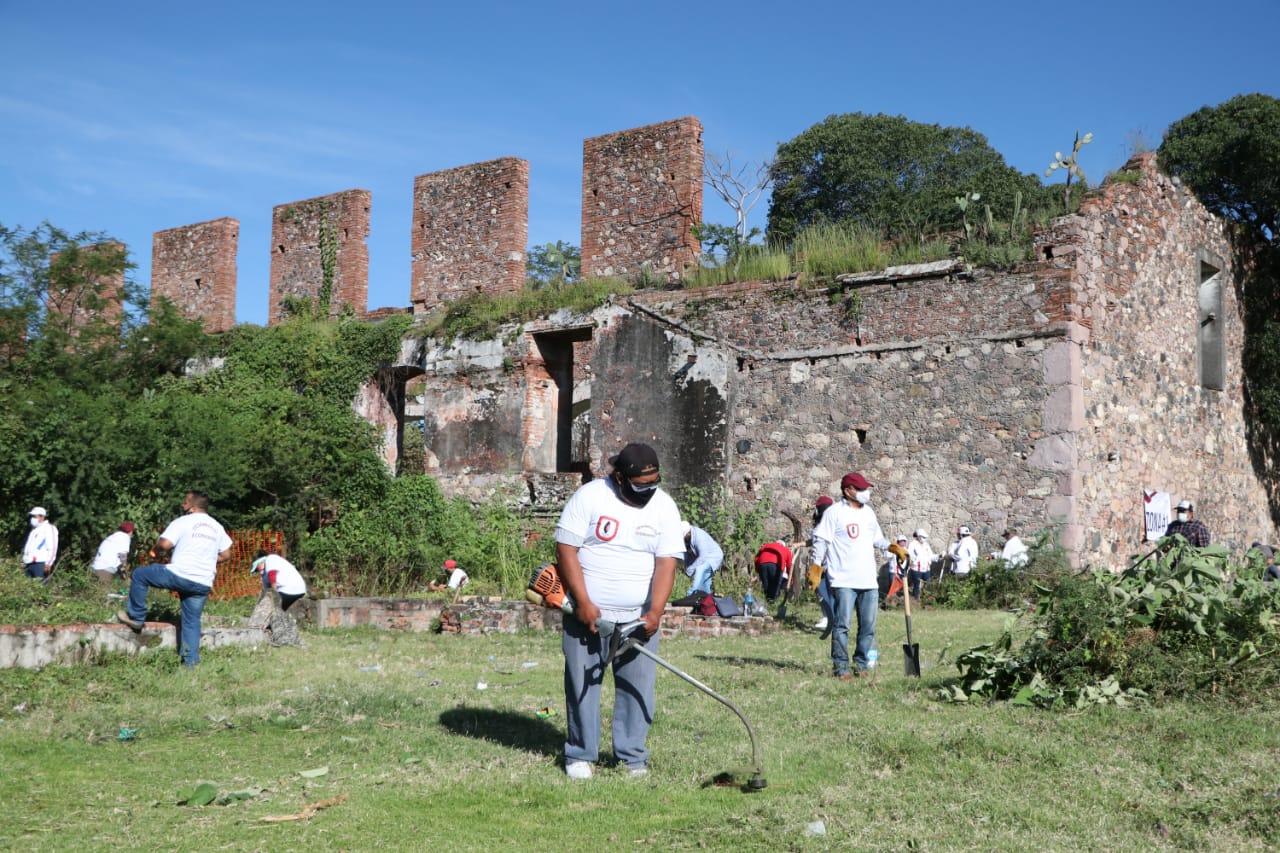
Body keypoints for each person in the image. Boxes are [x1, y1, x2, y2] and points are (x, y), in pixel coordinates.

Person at [554, 442, 683, 780]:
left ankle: (632, 757)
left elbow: (666, 563)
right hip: (588, 617)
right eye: (642, 484)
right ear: (621, 479)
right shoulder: (591, 497)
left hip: (638, 620)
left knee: (637, 688)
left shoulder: (664, 507)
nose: (649, 491)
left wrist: (655, 611)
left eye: (654, 482)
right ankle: (581, 755)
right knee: (582, 685)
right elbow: (566, 549)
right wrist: (582, 603)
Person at [116, 491, 232, 667]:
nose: (182, 505)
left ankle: (136, 617)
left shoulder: (183, 521)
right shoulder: (217, 527)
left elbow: (165, 544)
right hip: (202, 582)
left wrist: (156, 550)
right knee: (192, 622)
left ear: (192, 507)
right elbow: (226, 554)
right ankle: (190, 664)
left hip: (179, 573)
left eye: (185, 502)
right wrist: (204, 559)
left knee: (140, 575)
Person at [811, 472, 889, 680]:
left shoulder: (869, 513)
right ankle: (841, 667)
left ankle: (861, 664)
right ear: (848, 491)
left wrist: (893, 548)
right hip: (843, 579)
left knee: (868, 626)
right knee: (842, 625)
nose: (866, 492)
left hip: (868, 580)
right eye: (861, 489)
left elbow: (878, 539)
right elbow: (821, 541)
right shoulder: (834, 513)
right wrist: (816, 567)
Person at [809, 495, 835, 635]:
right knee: (825, 593)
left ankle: (830, 620)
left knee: (826, 594)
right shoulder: (828, 525)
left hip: (825, 565)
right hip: (824, 565)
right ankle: (829, 619)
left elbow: (820, 547)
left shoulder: (824, 527)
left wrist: (816, 567)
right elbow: (814, 541)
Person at [681, 521, 724, 596]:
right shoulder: (687, 539)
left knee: (700, 569)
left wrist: (690, 569)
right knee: (704, 585)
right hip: (704, 557)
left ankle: (690, 594)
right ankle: (706, 601)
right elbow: (687, 554)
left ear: (688, 533)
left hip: (713, 556)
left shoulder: (699, 537)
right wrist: (688, 566)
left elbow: (703, 556)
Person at [91, 521, 134, 590]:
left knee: (96, 592)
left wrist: (123, 573)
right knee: (104, 595)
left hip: (96, 567)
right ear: (130, 531)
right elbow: (122, 555)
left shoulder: (113, 536)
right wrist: (124, 565)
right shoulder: (125, 537)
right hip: (105, 568)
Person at [22, 506, 59, 580]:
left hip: (40, 563)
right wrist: (24, 560)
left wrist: (48, 563)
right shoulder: (34, 530)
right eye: (32, 516)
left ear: (42, 517)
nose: (32, 518)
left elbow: (52, 547)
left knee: (40, 587)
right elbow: (28, 547)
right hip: (29, 563)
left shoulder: (49, 528)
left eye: (34, 516)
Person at [907, 529, 935, 600]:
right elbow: (910, 555)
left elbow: (931, 556)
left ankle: (927, 600)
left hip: (926, 569)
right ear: (919, 537)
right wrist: (915, 559)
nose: (924, 539)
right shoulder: (913, 544)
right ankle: (915, 601)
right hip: (917, 569)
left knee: (928, 585)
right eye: (923, 537)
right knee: (916, 586)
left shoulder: (926, 545)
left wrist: (939, 556)